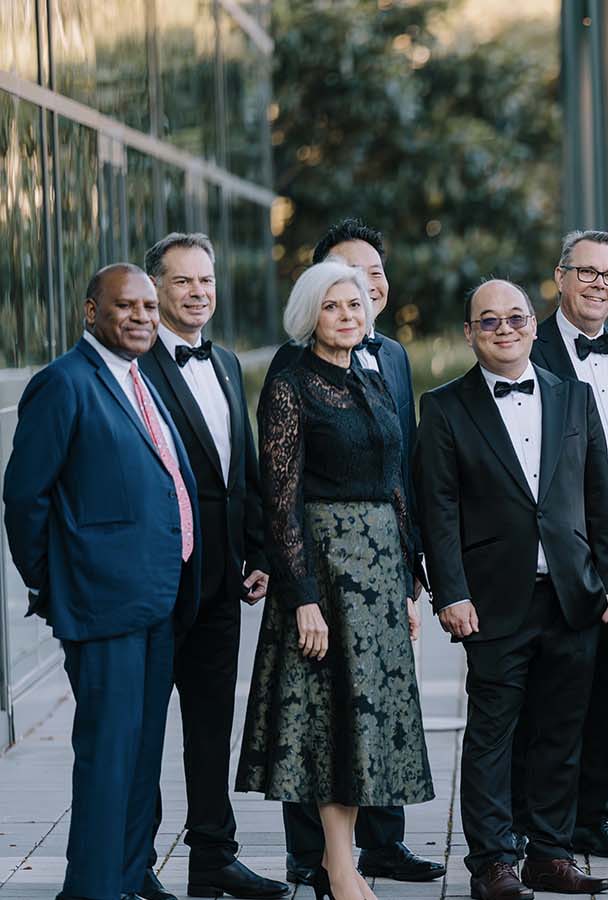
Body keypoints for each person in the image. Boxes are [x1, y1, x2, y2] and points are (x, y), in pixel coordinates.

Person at [414, 280, 608, 897]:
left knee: (562, 733)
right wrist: (450, 592)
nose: (503, 329)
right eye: (488, 321)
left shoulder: (574, 397)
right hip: (491, 599)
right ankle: (493, 865)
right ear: (469, 334)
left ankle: (550, 855)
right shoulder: (445, 406)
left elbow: (598, 495)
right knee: (492, 736)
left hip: (571, 594)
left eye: (514, 318)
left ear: (534, 325)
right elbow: (439, 507)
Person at [235, 260, 434, 900]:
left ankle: (339, 864)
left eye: (354, 306)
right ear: (309, 315)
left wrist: (408, 583)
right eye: (332, 307)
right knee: (327, 722)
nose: (347, 316)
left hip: (379, 573)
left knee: (362, 725)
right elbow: (281, 501)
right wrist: (304, 601)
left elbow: (397, 484)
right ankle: (340, 866)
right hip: (324, 568)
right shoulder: (290, 386)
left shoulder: (374, 381)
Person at [3, 264, 201, 900]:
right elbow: (24, 499)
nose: (143, 316)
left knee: (143, 753)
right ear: (92, 313)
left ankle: (126, 875)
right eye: (127, 306)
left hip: (158, 601)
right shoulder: (62, 384)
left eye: (150, 304)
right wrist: (53, 583)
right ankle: (90, 889)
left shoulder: (141, 380)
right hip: (102, 604)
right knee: (108, 756)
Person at [134, 234, 289, 900]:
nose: (198, 292)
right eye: (182, 282)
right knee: (141, 729)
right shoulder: (134, 366)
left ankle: (212, 857)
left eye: (206, 280)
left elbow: (243, 469)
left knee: (209, 728)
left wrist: (259, 552)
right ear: (155, 291)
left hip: (223, 582)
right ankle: (132, 861)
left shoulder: (225, 362)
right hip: (157, 584)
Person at [529, 230, 608, 859]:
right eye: (588, 273)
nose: (600, 285)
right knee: (552, 690)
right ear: (561, 277)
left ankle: (592, 817)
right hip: (557, 546)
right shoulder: (530, 347)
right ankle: (538, 819)